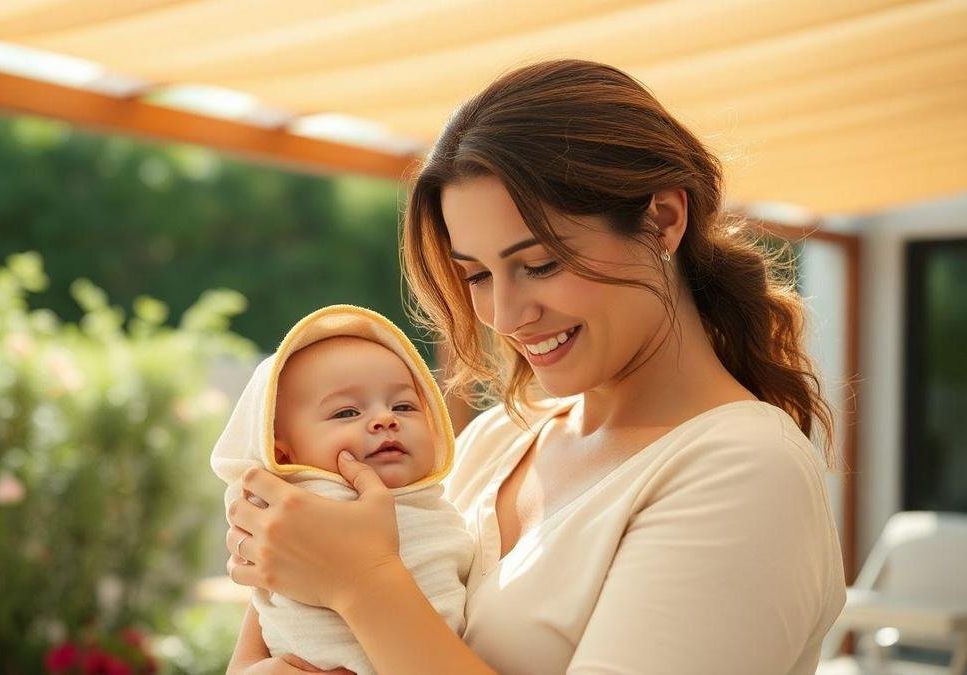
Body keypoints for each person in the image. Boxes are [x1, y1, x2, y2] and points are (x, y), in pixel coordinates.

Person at [222, 59, 847, 674]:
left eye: (540, 264)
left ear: (663, 220)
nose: (505, 313)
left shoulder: (743, 470)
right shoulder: (498, 441)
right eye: (476, 275)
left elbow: (366, 592)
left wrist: (362, 583)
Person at [211, 304, 473, 674]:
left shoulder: (434, 504)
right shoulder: (301, 504)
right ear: (282, 451)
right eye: (347, 413)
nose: (385, 419)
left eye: (404, 405)